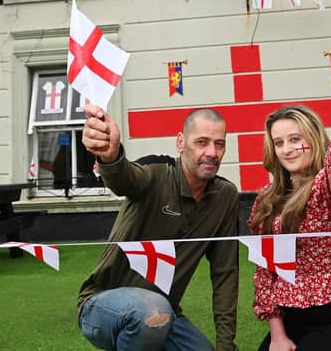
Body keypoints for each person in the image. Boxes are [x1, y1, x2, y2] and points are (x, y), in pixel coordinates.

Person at [77, 105, 239, 351]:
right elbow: (125, 178)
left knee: (162, 315)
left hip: (166, 312)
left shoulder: (225, 196)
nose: (212, 152)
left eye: (219, 144)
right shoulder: (155, 174)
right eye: (202, 142)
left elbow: (225, 273)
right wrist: (110, 156)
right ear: (181, 143)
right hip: (101, 305)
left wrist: (226, 346)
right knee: (151, 311)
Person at [248, 74, 331, 351]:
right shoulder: (266, 200)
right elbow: (265, 273)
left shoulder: (327, 186)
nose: (287, 149)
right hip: (291, 318)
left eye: (295, 139)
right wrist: (277, 335)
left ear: (312, 138)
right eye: (279, 142)